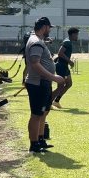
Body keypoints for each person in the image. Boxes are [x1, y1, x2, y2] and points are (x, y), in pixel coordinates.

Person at [24, 17, 64, 153]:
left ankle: (40, 140)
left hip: (43, 82)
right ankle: (34, 144)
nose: (50, 30)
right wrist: (53, 77)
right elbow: (35, 63)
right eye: (49, 28)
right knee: (36, 115)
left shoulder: (37, 40)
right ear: (45, 27)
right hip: (38, 83)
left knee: (43, 113)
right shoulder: (36, 42)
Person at [52, 27, 79, 108]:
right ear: (73, 34)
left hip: (64, 67)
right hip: (61, 67)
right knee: (61, 86)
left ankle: (56, 101)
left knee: (69, 84)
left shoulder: (68, 42)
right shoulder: (67, 42)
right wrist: (70, 61)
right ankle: (48, 102)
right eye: (76, 35)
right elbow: (60, 53)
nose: (77, 36)